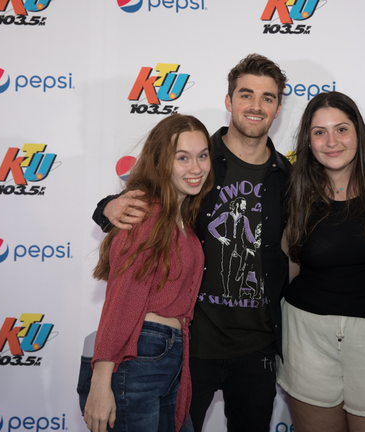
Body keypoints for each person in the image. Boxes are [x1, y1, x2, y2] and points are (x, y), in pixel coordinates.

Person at [91, 54, 290, 432]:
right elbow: (147, 199)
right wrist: (108, 207)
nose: (255, 106)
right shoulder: (200, 160)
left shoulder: (288, 177)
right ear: (229, 101)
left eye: (267, 97)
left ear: (278, 108)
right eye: (246, 94)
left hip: (257, 347)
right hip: (190, 344)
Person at [279, 91, 365, 432]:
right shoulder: (296, 189)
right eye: (319, 132)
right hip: (307, 336)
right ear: (308, 142)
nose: (331, 141)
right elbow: (286, 267)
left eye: (341, 129)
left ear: (358, 133)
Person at [79, 114, 214, 432]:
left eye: (202, 156)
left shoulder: (180, 215)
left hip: (170, 355)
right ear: (161, 160)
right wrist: (101, 378)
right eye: (182, 158)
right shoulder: (144, 214)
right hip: (139, 354)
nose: (195, 168)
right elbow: (122, 299)